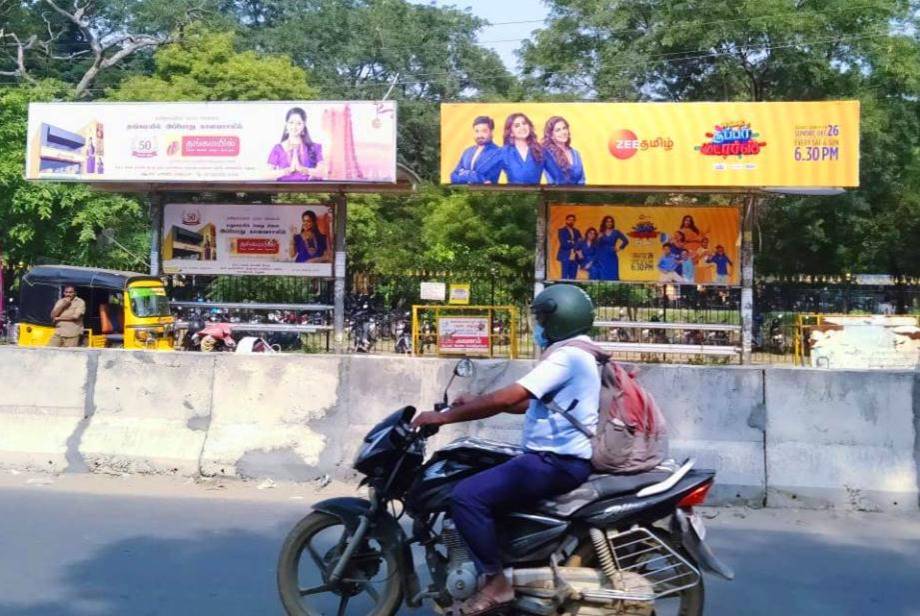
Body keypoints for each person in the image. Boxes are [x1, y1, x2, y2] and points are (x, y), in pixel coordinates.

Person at [412, 284, 599, 616]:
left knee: (467, 496)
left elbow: (508, 397)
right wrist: (473, 401)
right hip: (552, 458)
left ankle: (497, 584)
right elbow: (526, 402)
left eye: (542, 318)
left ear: (560, 318)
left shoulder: (568, 356)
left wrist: (444, 417)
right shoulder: (577, 354)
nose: (538, 327)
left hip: (555, 462)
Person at [267, 107, 325, 182]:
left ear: (304, 125)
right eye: (291, 122)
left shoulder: (315, 147)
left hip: (309, 191)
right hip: (283, 191)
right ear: (286, 124)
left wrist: (305, 170)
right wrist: (286, 171)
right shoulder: (278, 148)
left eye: (299, 123)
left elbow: (323, 172)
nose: (294, 127)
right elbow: (266, 174)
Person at [450, 116, 503, 184]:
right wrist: (475, 176)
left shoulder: (498, 152)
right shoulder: (467, 151)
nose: (479, 135)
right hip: (464, 192)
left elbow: (486, 178)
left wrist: (464, 173)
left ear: (491, 132)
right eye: (476, 131)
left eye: (484, 131)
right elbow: (453, 176)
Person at [500, 113, 543, 184]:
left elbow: (557, 173)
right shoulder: (504, 152)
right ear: (511, 133)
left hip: (536, 193)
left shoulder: (540, 150)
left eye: (524, 123)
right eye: (517, 126)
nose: (522, 127)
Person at [541, 116, 585, 185]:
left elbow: (582, 179)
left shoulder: (576, 154)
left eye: (564, 128)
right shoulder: (548, 155)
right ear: (551, 135)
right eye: (558, 130)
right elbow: (555, 181)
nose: (563, 132)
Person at [596, 215, 629, 281]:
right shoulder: (601, 233)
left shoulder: (616, 232)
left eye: (611, 222)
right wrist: (598, 237)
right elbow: (596, 245)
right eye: (607, 222)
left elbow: (626, 241)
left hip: (612, 255)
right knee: (603, 273)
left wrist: (619, 248)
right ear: (604, 223)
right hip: (602, 256)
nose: (609, 223)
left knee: (613, 273)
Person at [556, 214, 582, 280]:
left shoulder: (577, 231)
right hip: (565, 255)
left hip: (575, 255)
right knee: (564, 275)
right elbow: (564, 243)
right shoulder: (561, 231)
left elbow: (580, 242)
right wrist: (574, 243)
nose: (571, 221)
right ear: (566, 220)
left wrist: (571, 242)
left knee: (573, 276)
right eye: (569, 220)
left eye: (573, 220)